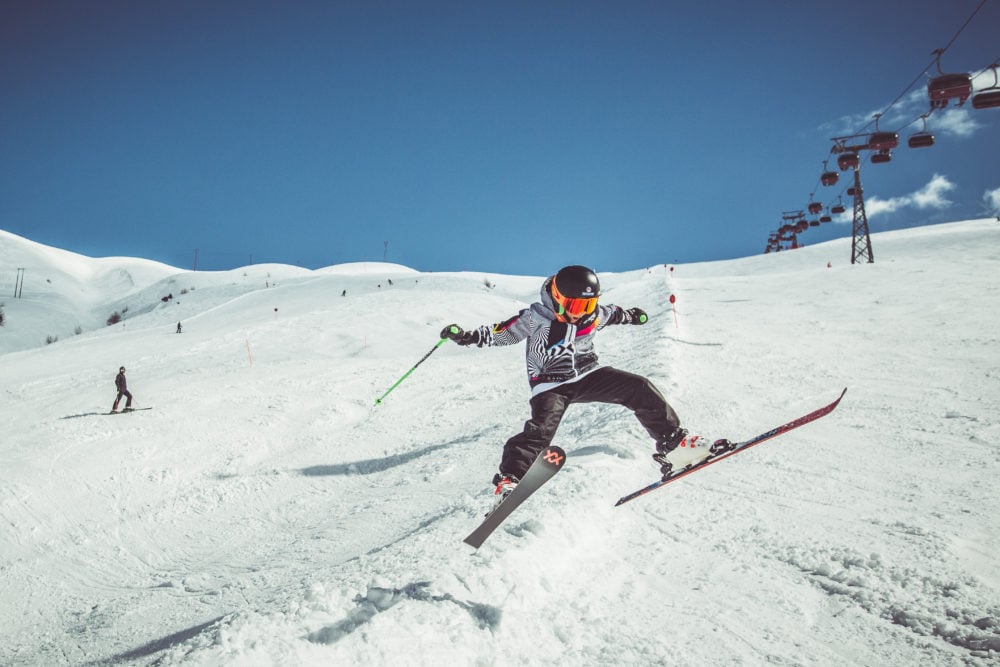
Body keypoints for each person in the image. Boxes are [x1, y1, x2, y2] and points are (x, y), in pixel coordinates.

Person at [441, 265, 730, 508]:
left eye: (588, 305)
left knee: (639, 388)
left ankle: (674, 445)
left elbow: (614, 313)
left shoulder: (594, 314)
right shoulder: (534, 318)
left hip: (590, 373)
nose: (581, 313)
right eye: (576, 305)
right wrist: (466, 336)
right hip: (550, 383)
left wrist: (632, 316)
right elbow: (500, 334)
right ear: (556, 297)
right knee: (540, 431)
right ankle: (510, 479)